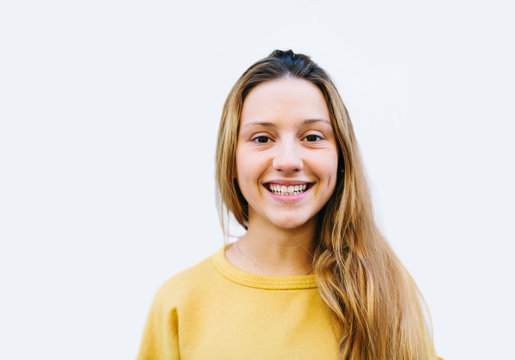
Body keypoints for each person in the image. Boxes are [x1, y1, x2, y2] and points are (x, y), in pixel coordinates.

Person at [137, 50, 442, 360]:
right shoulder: (179, 303)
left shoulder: (386, 293)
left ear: (341, 159)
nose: (288, 161)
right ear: (231, 159)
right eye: (261, 138)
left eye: (312, 136)